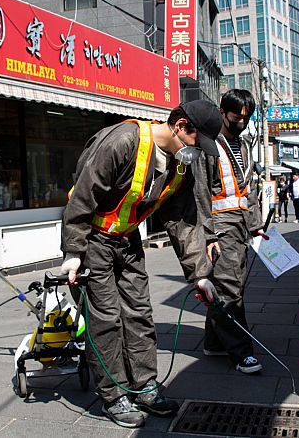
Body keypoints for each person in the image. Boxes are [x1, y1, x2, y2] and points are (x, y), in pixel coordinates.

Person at [60, 99, 221, 428]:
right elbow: (82, 197)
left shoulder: (179, 165)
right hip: (92, 239)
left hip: (127, 239)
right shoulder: (123, 141)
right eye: (195, 141)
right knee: (105, 318)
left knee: (138, 313)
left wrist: (200, 276)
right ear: (179, 126)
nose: (196, 151)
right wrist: (73, 253)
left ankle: (144, 386)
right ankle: (114, 394)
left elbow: (183, 221)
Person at [198, 89, 264, 374]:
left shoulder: (244, 145)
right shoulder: (207, 144)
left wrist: (255, 224)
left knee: (226, 286)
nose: (242, 121)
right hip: (219, 226)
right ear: (222, 112)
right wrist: (208, 234)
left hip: (239, 225)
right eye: (237, 116)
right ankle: (241, 353)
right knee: (229, 290)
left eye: (246, 117)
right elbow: (200, 192)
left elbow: (246, 188)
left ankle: (214, 343)